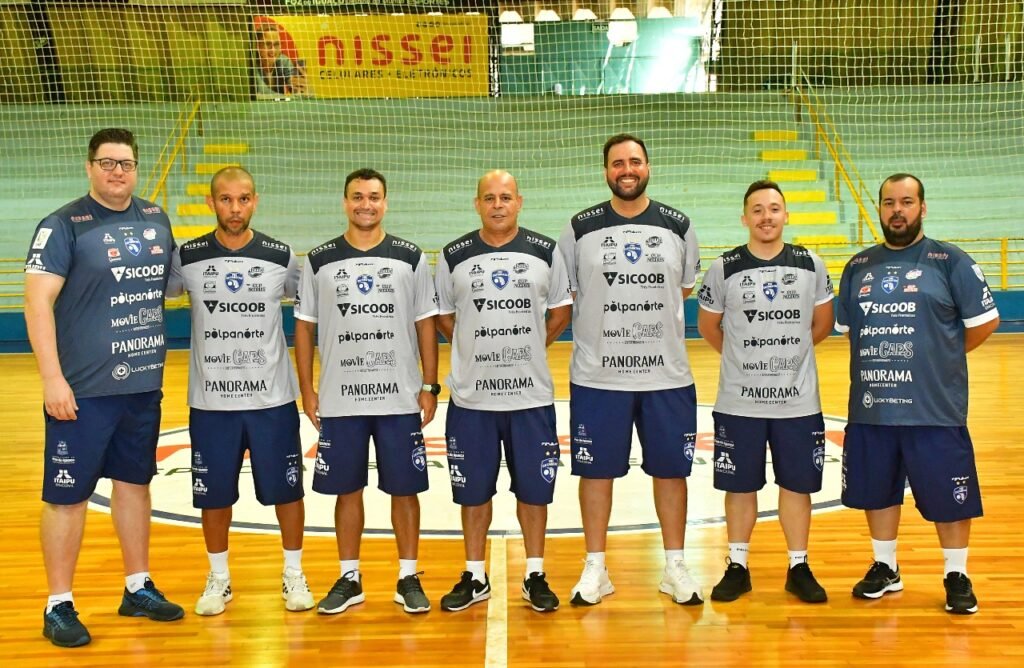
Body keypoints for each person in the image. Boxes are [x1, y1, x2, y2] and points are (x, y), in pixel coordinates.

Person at [25, 128, 184, 648]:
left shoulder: (156, 219)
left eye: (126, 163)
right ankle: (58, 604)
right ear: (89, 167)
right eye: (108, 163)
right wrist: (52, 378)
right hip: (82, 391)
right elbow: (37, 302)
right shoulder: (62, 226)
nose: (118, 172)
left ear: (136, 168)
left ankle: (137, 587)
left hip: (141, 385)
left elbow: (170, 287)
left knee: (135, 484)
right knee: (67, 496)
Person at [835, 173, 1000, 614]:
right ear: (880, 208)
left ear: (922, 208)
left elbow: (985, 322)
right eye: (889, 202)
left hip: (934, 407)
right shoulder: (858, 266)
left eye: (906, 202)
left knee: (950, 497)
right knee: (877, 491)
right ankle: (885, 566)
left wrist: (940, 355)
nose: (897, 210)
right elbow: (851, 331)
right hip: (873, 406)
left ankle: (956, 573)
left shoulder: (950, 261)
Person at [556, 133, 704, 606]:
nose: (627, 170)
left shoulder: (679, 226)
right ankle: (595, 567)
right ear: (606, 171)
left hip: (666, 376)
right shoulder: (578, 229)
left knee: (671, 472)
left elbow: (681, 290)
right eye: (618, 163)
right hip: (598, 377)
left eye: (635, 162)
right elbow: (571, 293)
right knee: (596, 474)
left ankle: (675, 566)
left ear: (648, 167)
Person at [165, 166, 314, 616]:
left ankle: (293, 573)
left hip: (272, 400)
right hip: (212, 403)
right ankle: (219, 578)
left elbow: (311, 309)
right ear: (211, 202)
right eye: (226, 199)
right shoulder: (187, 257)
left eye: (243, 199)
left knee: (287, 491)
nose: (235, 208)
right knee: (214, 494)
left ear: (255, 201)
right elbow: (158, 292)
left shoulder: (281, 256)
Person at [294, 168, 439, 615]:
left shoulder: (410, 257)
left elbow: (426, 324)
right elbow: (304, 327)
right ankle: (349, 577)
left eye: (374, 197)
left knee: (405, 489)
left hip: (399, 396)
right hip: (341, 398)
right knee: (347, 490)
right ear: (345, 202)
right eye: (357, 196)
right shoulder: (319, 260)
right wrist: (307, 390)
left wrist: (429, 385)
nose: (366, 204)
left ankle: (408, 576)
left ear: (385, 202)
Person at [434, 170, 572, 613]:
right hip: (472, 399)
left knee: (534, 490)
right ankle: (475, 576)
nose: (498, 205)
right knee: (473, 492)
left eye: (506, 197)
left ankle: (535, 574)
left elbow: (560, 311)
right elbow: (443, 316)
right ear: (477, 204)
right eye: (490, 198)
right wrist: (473, 348)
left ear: (519, 202)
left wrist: (530, 345)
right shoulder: (453, 255)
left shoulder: (545, 251)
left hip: (530, 398)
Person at [696, 180, 834, 604]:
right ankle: (737, 566)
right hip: (740, 402)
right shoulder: (724, 267)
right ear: (744, 218)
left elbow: (822, 324)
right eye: (757, 210)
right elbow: (708, 327)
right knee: (740, 486)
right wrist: (745, 359)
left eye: (774, 208)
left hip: (798, 401)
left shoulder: (811, 264)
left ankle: (798, 566)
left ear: (786, 215)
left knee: (797, 485)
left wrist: (789, 359)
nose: (766, 216)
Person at [254, 24, 307, 97]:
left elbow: (298, 92)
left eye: (276, 44)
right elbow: (262, 92)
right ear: (257, 46)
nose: (273, 50)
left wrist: (302, 88)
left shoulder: (283, 61)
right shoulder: (251, 64)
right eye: (268, 44)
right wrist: (286, 97)